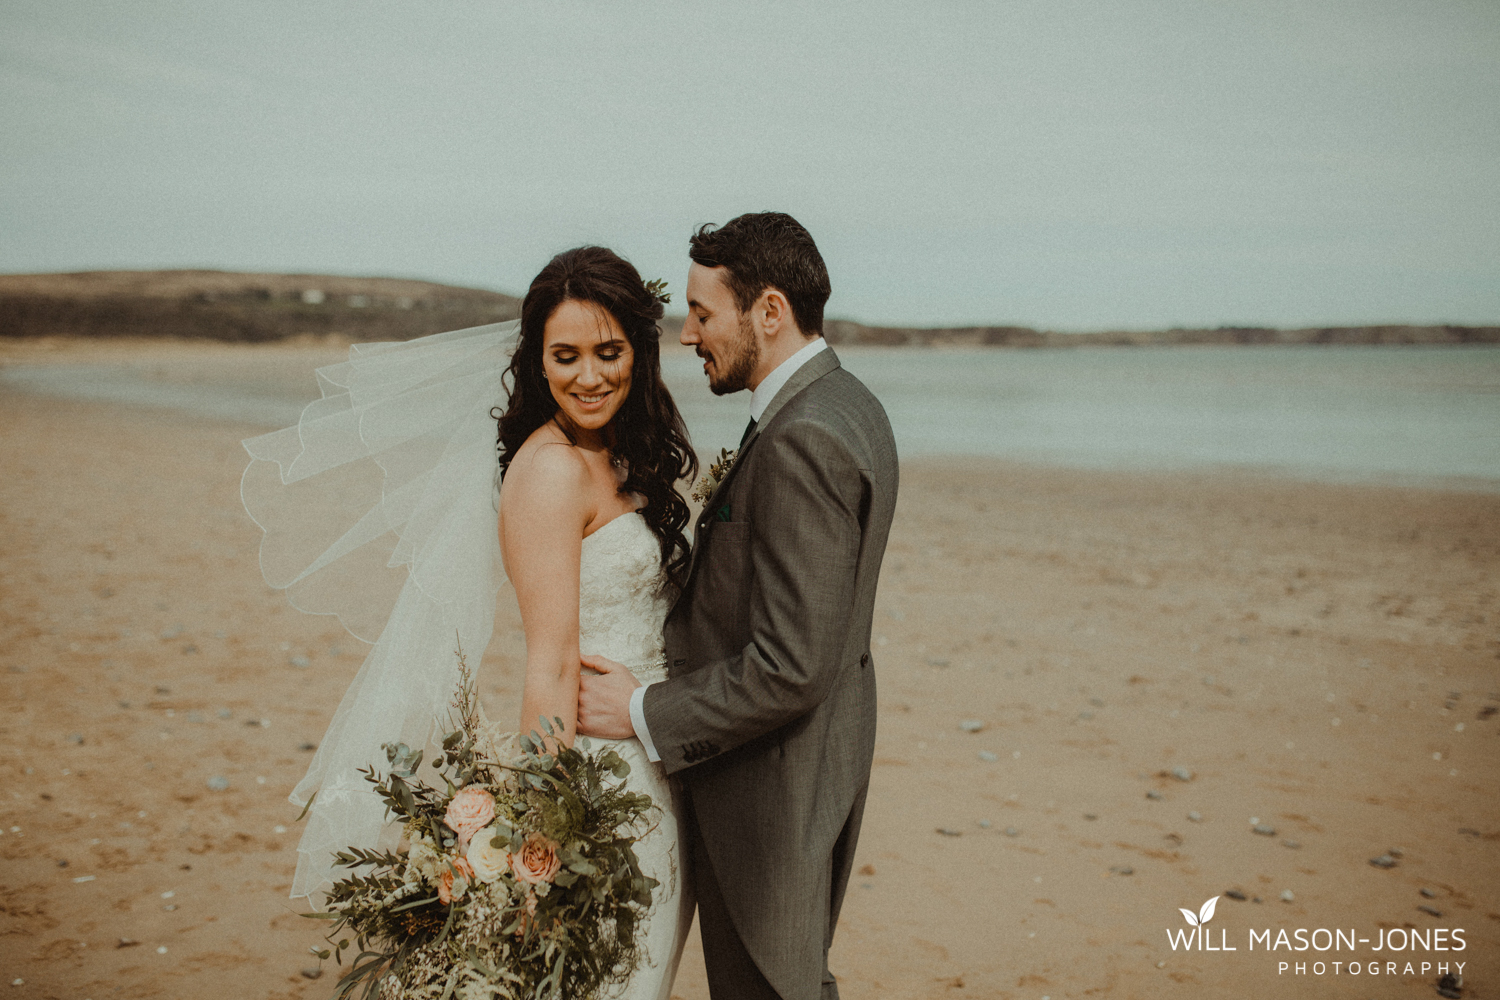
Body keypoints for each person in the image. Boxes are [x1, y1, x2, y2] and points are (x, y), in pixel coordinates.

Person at [242, 245, 698, 999]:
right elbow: (549, 664)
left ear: (639, 352)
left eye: (609, 352)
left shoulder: (620, 456)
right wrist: (543, 832)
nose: (590, 376)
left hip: (655, 762)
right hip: (599, 780)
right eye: (566, 355)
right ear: (537, 360)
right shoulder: (550, 470)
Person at [577, 212, 900, 1000]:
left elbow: (792, 664)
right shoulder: (849, 403)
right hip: (815, 761)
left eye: (702, 312)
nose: (688, 336)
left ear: (770, 312)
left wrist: (646, 710)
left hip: (771, 792)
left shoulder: (804, 437)